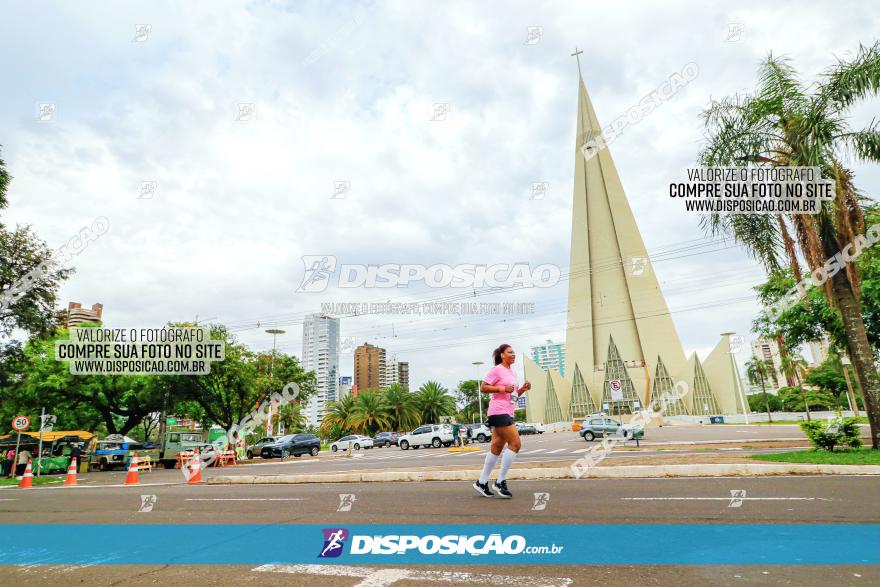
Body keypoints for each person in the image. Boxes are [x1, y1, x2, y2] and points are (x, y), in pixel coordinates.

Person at [472, 344, 531, 498]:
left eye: (514, 352)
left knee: (497, 448)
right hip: (498, 411)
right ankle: (500, 481)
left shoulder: (512, 372)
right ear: (502, 355)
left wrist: (522, 389)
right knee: (515, 444)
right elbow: (483, 388)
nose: (513, 354)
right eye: (510, 352)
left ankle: (481, 482)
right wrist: (502, 389)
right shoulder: (497, 369)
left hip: (507, 411)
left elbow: (512, 395)